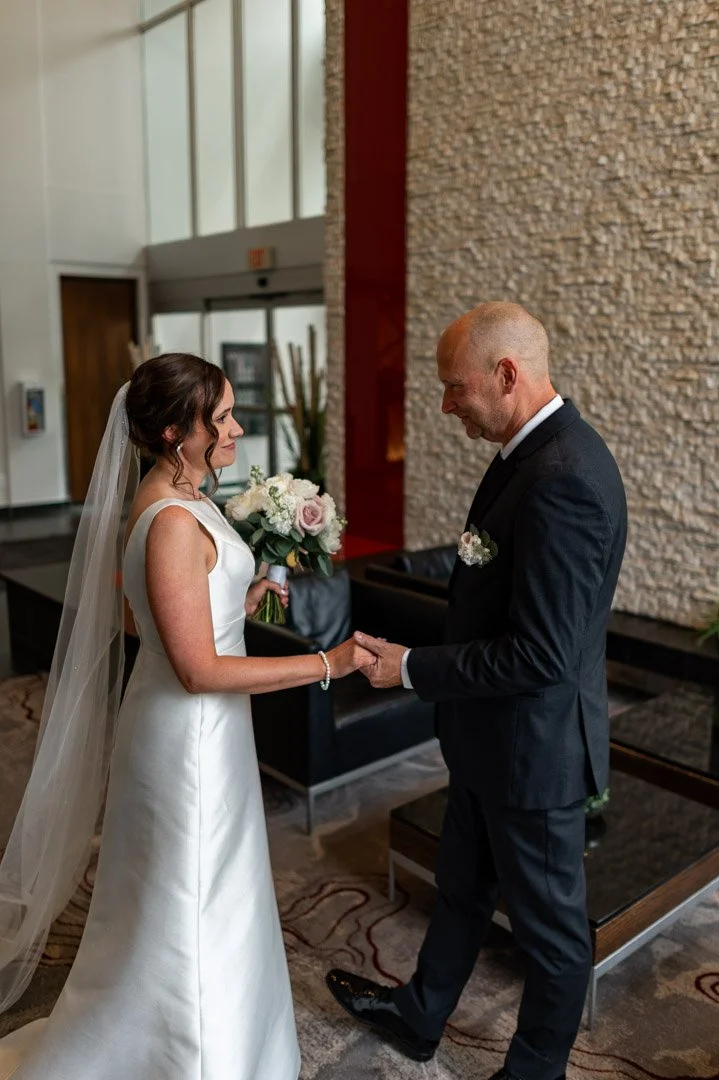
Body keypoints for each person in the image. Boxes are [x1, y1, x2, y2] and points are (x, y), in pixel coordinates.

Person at [0, 353, 373, 1080]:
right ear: (176, 433)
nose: (236, 430)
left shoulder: (181, 493)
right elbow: (198, 671)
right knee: (193, 890)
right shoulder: (171, 519)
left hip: (202, 728)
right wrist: (328, 663)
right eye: (222, 418)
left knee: (202, 887)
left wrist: (237, 599)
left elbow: (160, 618)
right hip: (188, 737)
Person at [326, 302, 628, 1080]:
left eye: (454, 387)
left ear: (506, 374)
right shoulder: (524, 456)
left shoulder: (564, 478)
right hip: (489, 741)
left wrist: (412, 668)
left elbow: (542, 655)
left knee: (551, 934)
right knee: (460, 889)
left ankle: (533, 1072)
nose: (444, 405)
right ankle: (420, 1014)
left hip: (534, 755)